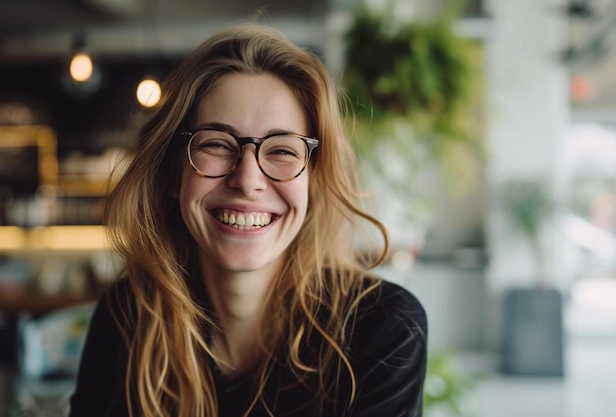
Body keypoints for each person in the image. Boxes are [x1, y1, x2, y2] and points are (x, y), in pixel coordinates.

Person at [69, 23, 427, 417]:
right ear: (173, 174)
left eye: (282, 151)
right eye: (217, 144)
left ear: (314, 178)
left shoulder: (381, 330)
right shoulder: (128, 319)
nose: (247, 180)